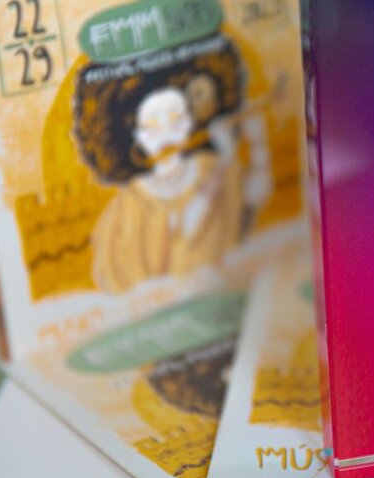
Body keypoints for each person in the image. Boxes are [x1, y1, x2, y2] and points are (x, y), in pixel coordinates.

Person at [73, 38, 271, 293]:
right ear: (134, 135)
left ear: (191, 123)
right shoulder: (132, 201)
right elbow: (120, 283)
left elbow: (250, 207)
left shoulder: (211, 166)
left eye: (178, 121)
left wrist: (256, 145)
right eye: (152, 128)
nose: (167, 137)